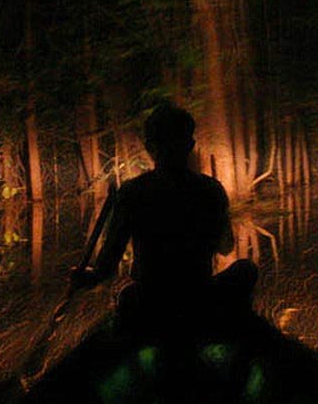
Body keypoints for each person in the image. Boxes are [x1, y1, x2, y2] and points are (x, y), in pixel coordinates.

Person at [71, 102, 257, 338]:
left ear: (150, 147)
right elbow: (226, 246)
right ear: (190, 145)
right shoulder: (210, 189)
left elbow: (106, 267)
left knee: (127, 296)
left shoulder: (132, 191)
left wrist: (87, 278)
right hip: (199, 296)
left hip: (150, 300)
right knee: (245, 269)